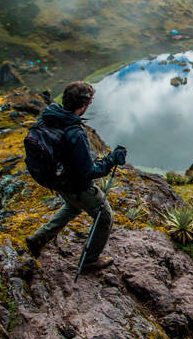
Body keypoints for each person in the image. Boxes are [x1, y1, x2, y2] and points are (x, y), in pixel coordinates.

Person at [25, 81, 127, 271]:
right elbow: (88, 171)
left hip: (58, 182)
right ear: (83, 105)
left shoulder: (51, 117)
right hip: (77, 187)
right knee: (104, 218)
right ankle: (89, 261)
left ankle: (38, 239)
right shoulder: (75, 132)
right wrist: (112, 160)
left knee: (72, 208)